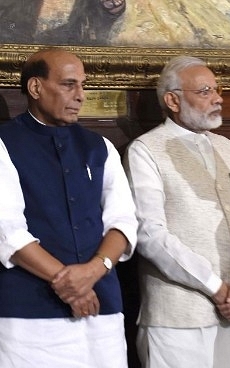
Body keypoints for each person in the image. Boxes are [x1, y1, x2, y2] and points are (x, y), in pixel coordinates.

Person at [123, 55, 230, 368]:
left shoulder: (229, 148)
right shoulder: (146, 149)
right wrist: (215, 287)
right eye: (205, 91)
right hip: (179, 316)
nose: (218, 98)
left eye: (217, 90)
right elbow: (150, 233)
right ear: (173, 100)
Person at [0, 48, 138, 367]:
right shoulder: (5, 143)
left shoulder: (99, 147)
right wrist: (70, 283)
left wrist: (93, 271)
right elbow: (7, 231)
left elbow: (124, 222)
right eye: (69, 85)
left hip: (102, 308)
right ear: (36, 88)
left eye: (83, 85)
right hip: (29, 316)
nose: (80, 95)